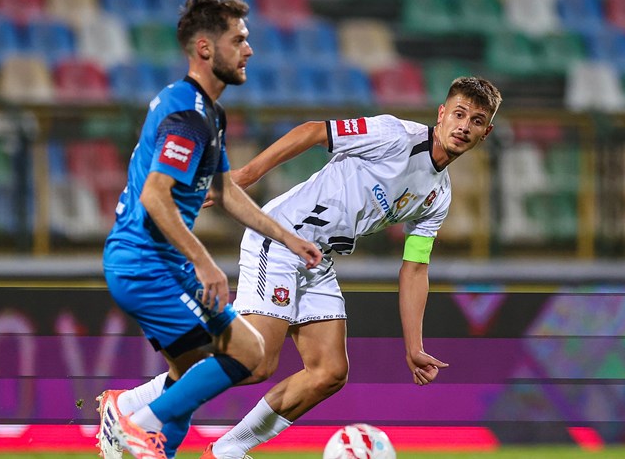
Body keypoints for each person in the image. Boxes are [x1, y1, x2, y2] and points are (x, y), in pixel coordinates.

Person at [102, 76, 501, 459]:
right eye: (460, 114)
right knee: (255, 361)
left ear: (486, 133)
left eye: (477, 121)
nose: (465, 126)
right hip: (280, 237)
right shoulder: (393, 135)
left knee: (329, 371)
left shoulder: (438, 196)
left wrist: (413, 346)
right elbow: (314, 131)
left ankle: (228, 449)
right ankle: (130, 407)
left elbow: (414, 269)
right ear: (441, 113)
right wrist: (244, 175)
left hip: (317, 258)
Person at [96, 0, 322, 458]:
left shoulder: (207, 112)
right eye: (238, 39)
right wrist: (204, 262)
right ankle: (133, 423)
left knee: (190, 377)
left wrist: (286, 236)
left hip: (154, 263)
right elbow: (156, 196)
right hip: (148, 264)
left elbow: (223, 190)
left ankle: (144, 431)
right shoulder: (190, 116)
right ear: (205, 47)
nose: (249, 50)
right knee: (249, 352)